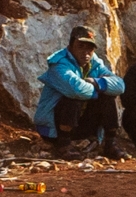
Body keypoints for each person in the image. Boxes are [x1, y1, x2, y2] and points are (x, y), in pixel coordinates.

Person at [33, 24, 127, 157]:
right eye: (80, 46)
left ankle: (110, 143)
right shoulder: (59, 64)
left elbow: (120, 86)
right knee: (73, 98)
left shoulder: (95, 63)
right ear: (70, 46)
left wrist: (96, 82)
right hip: (54, 130)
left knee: (108, 98)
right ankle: (63, 145)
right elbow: (77, 90)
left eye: (89, 48)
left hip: (80, 125)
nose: (85, 52)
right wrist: (101, 88)